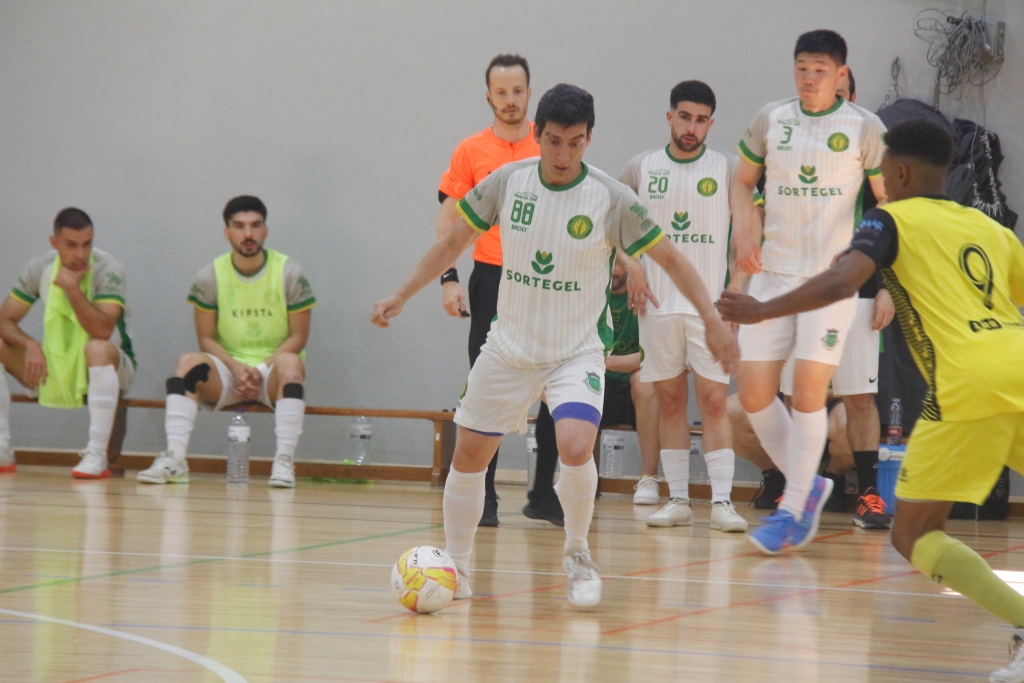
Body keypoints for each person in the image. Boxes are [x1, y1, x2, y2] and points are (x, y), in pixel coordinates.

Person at [373, 84, 738, 607]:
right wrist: (402, 294)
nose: (563, 154)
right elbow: (453, 241)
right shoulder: (507, 182)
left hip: (575, 352)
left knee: (573, 444)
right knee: (469, 457)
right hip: (508, 348)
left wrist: (713, 320)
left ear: (589, 139)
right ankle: (459, 566)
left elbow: (674, 260)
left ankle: (577, 552)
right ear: (537, 135)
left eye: (575, 142)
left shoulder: (613, 198)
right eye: (553, 141)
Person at [719, 117, 1024, 683]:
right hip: (1019, 366)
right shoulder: (989, 228)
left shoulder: (887, 219)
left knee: (913, 534)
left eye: (882, 169)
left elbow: (841, 281)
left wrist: (762, 310)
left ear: (900, 171)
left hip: (964, 385)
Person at [729, 29, 887, 554]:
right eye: (801, 67)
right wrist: (745, 230)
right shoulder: (770, 118)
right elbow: (742, 181)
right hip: (772, 277)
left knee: (808, 392)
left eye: (819, 69)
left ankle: (794, 508)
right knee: (753, 394)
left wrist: (881, 278)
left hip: (831, 284)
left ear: (841, 74)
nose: (809, 77)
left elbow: (889, 205)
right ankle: (809, 482)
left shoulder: (865, 128)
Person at [619, 80, 747, 532]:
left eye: (701, 120)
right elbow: (617, 230)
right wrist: (631, 266)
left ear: (711, 123)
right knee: (670, 400)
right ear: (670, 116)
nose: (691, 127)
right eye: (684, 117)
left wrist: (733, 300)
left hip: (709, 308)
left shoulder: (729, 169)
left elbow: (745, 242)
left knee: (713, 400)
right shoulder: (640, 167)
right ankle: (677, 499)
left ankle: (723, 502)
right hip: (656, 305)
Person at [137, 195, 316, 488]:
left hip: (272, 374)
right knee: (187, 363)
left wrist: (259, 369)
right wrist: (235, 368)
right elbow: (205, 337)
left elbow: (298, 336)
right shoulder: (209, 276)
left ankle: (284, 461)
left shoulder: (289, 272)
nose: (248, 234)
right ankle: (175, 458)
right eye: (239, 226)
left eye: (255, 225)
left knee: (292, 364)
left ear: (265, 230)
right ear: (227, 232)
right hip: (228, 373)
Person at [437, 54, 541, 527]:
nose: (510, 100)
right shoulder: (470, 150)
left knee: (556, 380)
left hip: (545, 278)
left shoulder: (550, 141)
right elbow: (450, 218)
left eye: (518, 91)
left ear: (529, 92)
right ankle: (486, 498)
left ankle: (549, 497)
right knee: (486, 383)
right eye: (501, 92)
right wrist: (448, 277)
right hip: (491, 276)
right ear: (489, 96)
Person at [0, 208, 136, 478]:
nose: (80, 254)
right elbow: (5, 319)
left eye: (87, 244)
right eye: (71, 245)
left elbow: (102, 330)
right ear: (54, 243)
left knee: (95, 348)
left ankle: (96, 454)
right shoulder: (40, 267)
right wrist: (30, 345)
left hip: (110, 364)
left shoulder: (109, 270)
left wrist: (73, 289)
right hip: (56, 366)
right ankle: (2, 446)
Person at [523, 258, 660, 526]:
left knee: (644, 380)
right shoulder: (587, 296)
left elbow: (653, 356)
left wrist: (602, 360)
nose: (614, 272)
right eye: (611, 264)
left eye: (621, 265)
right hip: (597, 386)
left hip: (635, 395)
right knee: (554, 396)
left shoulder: (647, 297)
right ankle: (541, 494)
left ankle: (648, 479)